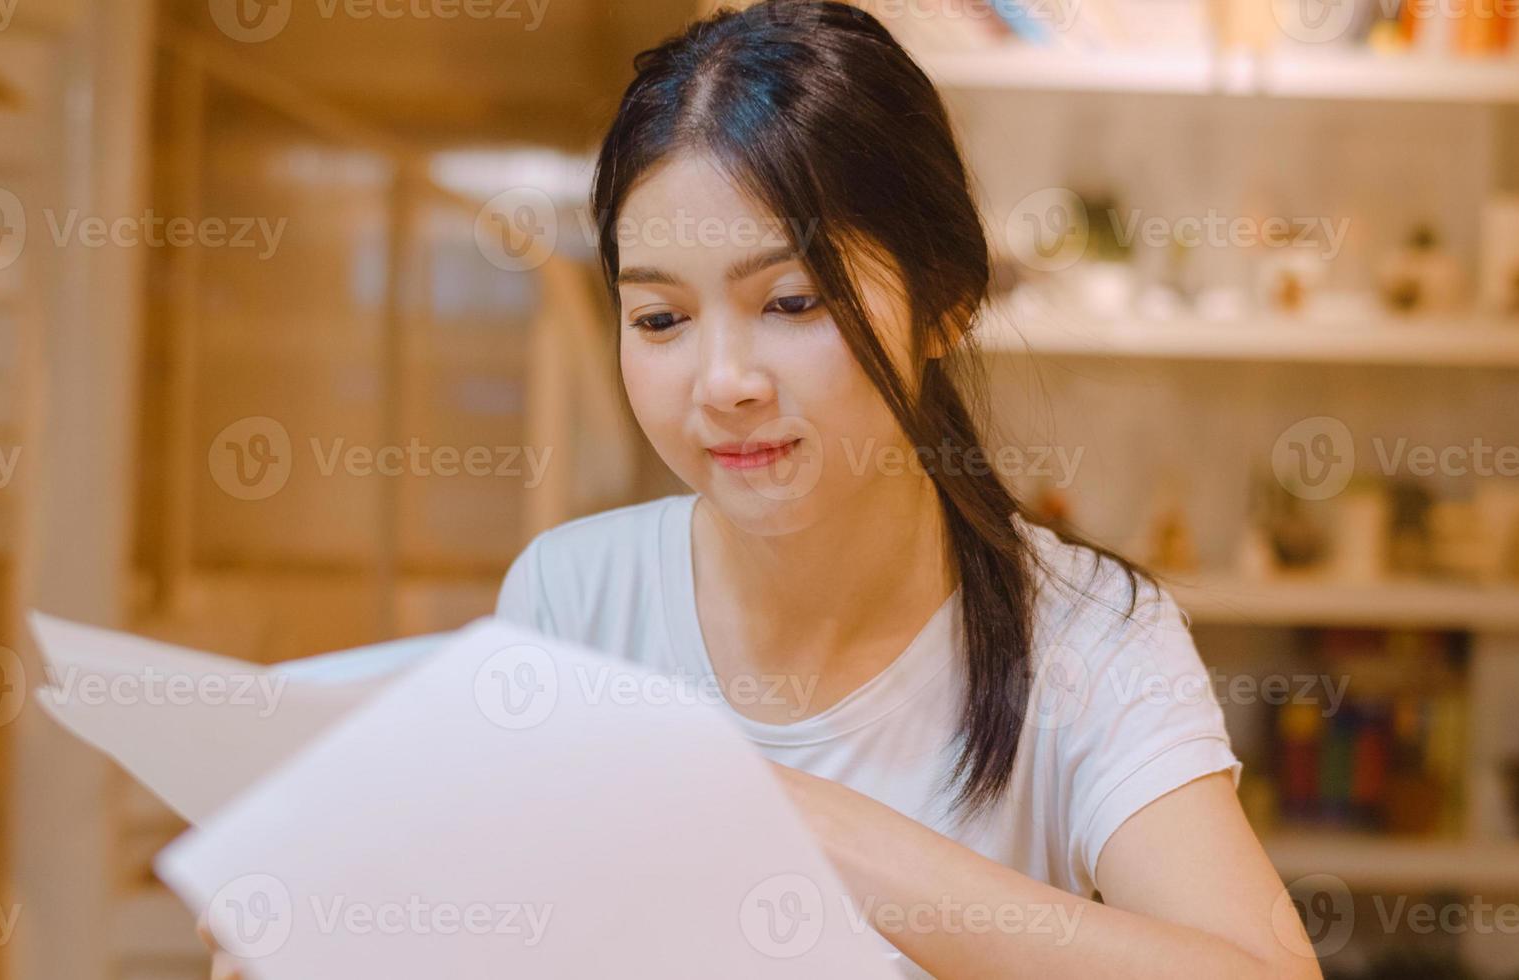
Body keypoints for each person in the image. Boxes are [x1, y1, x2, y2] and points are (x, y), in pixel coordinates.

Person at [208, 1, 1321, 976]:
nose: (722, 383)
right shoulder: (573, 600)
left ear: (942, 302)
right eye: (659, 319)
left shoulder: (1085, 638)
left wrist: (778, 814)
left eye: (790, 302)